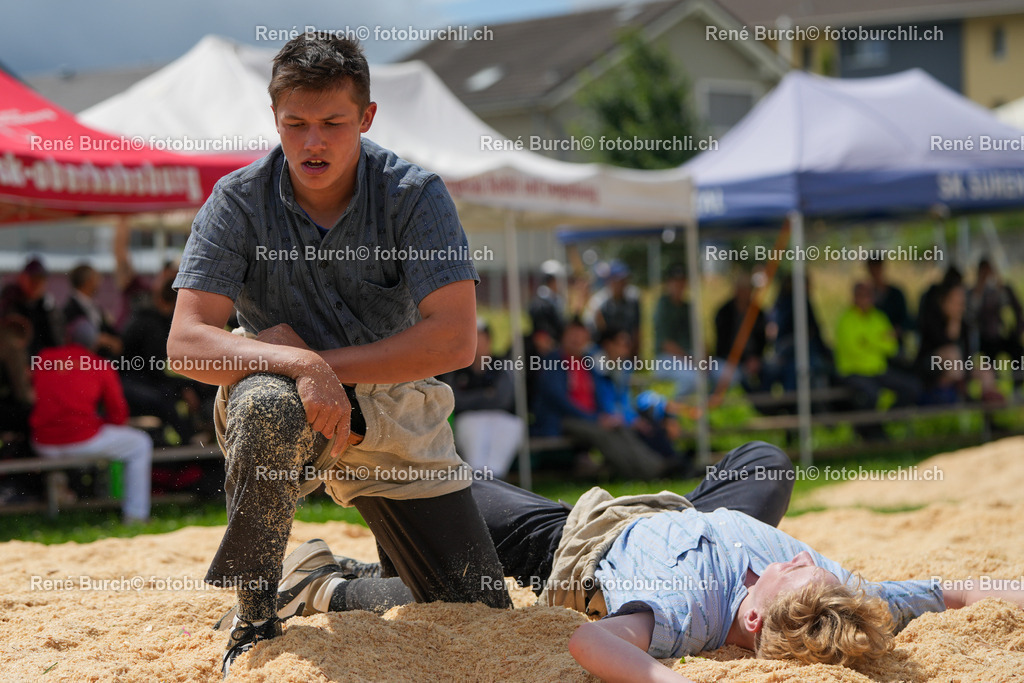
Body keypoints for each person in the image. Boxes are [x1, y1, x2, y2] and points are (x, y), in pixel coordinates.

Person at [165, 35, 511, 674]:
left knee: (475, 609)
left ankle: (322, 584)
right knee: (265, 405)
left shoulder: (415, 194)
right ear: (275, 120)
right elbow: (185, 342)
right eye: (295, 124)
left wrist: (327, 367)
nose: (312, 142)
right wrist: (300, 367)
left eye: (332, 123)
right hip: (278, 391)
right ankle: (256, 613)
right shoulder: (238, 199)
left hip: (393, 402)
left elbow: (454, 341)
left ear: (368, 118)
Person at [226, 440, 1024, 682]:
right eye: (801, 565)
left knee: (435, 483)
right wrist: (1013, 587)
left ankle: (331, 582)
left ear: (749, 618)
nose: (785, 561)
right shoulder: (832, 596)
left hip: (577, 541)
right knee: (769, 462)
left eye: (782, 571)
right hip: (689, 513)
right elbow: (943, 591)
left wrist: (665, 680)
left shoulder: (684, 607)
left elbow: (590, 642)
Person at [28, 319, 152, 522]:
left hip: (42, 443)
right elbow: (118, 415)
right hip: (80, 441)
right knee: (140, 443)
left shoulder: (44, 358)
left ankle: (58, 503)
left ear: (67, 338)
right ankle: (136, 516)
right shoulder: (100, 365)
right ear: (96, 342)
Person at [531, 318, 670, 480]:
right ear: (563, 336)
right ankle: (642, 473)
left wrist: (606, 416)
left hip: (590, 416)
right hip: (564, 419)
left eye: (581, 336)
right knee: (602, 432)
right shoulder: (553, 361)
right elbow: (560, 402)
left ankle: (655, 466)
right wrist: (596, 418)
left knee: (620, 427)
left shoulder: (587, 362)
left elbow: (599, 395)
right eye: (572, 335)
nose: (576, 340)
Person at [834, 282, 921, 440]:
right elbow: (852, 350)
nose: (865, 299)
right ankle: (869, 432)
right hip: (853, 371)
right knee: (872, 394)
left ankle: (885, 421)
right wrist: (879, 341)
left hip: (877, 369)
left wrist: (867, 342)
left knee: (911, 387)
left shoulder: (878, 317)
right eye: (862, 295)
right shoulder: (846, 320)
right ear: (854, 297)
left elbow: (891, 347)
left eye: (868, 295)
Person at [441, 319, 524, 479]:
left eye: (482, 338)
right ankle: (480, 480)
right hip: (469, 418)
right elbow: (455, 400)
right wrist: (486, 395)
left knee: (509, 428)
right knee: (475, 436)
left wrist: (474, 398)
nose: (478, 343)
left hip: (500, 418)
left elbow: (503, 399)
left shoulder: (502, 365)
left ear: (490, 340)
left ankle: (495, 479)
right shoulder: (457, 368)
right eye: (474, 338)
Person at [653, 264, 731, 398]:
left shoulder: (688, 307)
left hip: (692, 357)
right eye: (675, 281)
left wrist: (705, 357)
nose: (679, 285)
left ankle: (705, 410)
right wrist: (694, 361)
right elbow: (666, 344)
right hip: (667, 359)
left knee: (730, 374)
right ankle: (669, 410)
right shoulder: (663, 306)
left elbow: (699, 338)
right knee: (696, 380)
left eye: (682, 281)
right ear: (668, 283)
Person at [968, 257, 1023, 394]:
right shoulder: (974, 292)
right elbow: (970, 314)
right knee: (989, 357)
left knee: (1019, 352)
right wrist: (979, 289)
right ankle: (991, 392)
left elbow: (1015, 311)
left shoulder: (1003, 290)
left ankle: (1016, 387)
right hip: (983, 337)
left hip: (1003, 335)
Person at [713, 275, 767, 393]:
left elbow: (762, 340)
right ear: (736, 290)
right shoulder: (724, 313)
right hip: (729, 360)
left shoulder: (758, 312)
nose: (745, 293)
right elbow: (723, 345)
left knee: (770, 370)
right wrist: (744, 361)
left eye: (748, 289)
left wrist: (756, 358)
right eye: (742, 289)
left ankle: (767, 406)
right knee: (735, 377)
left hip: (755, 360)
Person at [0, 258, 61, 355]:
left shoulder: (47, 307)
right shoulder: (8, 304)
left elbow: (56, 342)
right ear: (22, 278)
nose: (36, 284)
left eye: (40, 280)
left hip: (43, 364)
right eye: (33, 279)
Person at [62, 263, 122, 358]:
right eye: (96, 278)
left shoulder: (95, 307)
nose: (99, 283)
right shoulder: (69, 309)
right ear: (88, 281)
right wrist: (102, 340)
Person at [587, 260, 642, 357]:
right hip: (604, 350)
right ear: (609, 281)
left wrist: (635, 354)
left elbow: (636, 330)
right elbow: (595, 332)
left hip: (627, 350)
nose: (621, 283)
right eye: (618, 280)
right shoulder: (599, 302)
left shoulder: (633, 299)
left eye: (624, 280)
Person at [866, 257, 911, 361]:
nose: (876, 274)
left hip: (894, 347)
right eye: (873, 270)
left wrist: (896, 331)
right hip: (871, 349)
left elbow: (908, 320)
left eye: (878, 269)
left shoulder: (896, 294)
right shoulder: (865, 296)